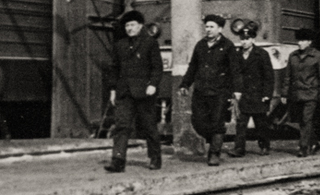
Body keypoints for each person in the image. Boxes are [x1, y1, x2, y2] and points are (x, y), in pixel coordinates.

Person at [104, 10, 165, 173]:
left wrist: (152, 84)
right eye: (127, 26)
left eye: (132, 25)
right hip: (124, 92)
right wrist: (112, 90)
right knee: (121, 126)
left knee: (148, 126)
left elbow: (157, 67)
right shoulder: (120, 45)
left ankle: (155, 157)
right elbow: (114, 68)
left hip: (144, 92)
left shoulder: (150, 43)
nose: (129, 28)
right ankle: (118, 160)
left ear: (140, 26)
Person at [179, 14, 242, 166]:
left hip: (220, 91)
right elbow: (193, 66)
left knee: (217, 122)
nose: (208, 29)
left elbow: (235, 70)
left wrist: (237, 89)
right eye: (206, 26)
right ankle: (214, 139)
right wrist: (184, 84)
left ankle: (214, 153)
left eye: (211, 27)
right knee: (198, 121)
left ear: (220, 29)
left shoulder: (228, 46)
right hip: (201, 90)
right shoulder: (200, 45)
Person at [283, 27, 320, 157]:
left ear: (309, 42)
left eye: (303, 40)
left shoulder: (318, 56)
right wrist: (284, 93)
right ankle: (314, 143)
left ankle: (304, 147)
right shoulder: (293, 56)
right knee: (301, 121)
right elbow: (287, 76)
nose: (300, 43)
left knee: (306, 119)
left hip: (311, 93)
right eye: (299, 40)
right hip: (296, 94)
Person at [231, 22, 274, 157]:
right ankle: (239, 149)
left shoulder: (261, 54)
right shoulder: (237, 54)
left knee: (261, 124)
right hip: (243, 95)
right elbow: (235, 74)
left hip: (258, 95)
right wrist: (235, 91)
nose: (244, 42)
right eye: (242, 39)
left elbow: (269, 76)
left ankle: (264, 146)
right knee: (241, 124)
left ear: (253, 39)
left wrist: (267, 94)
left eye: (247, 39)